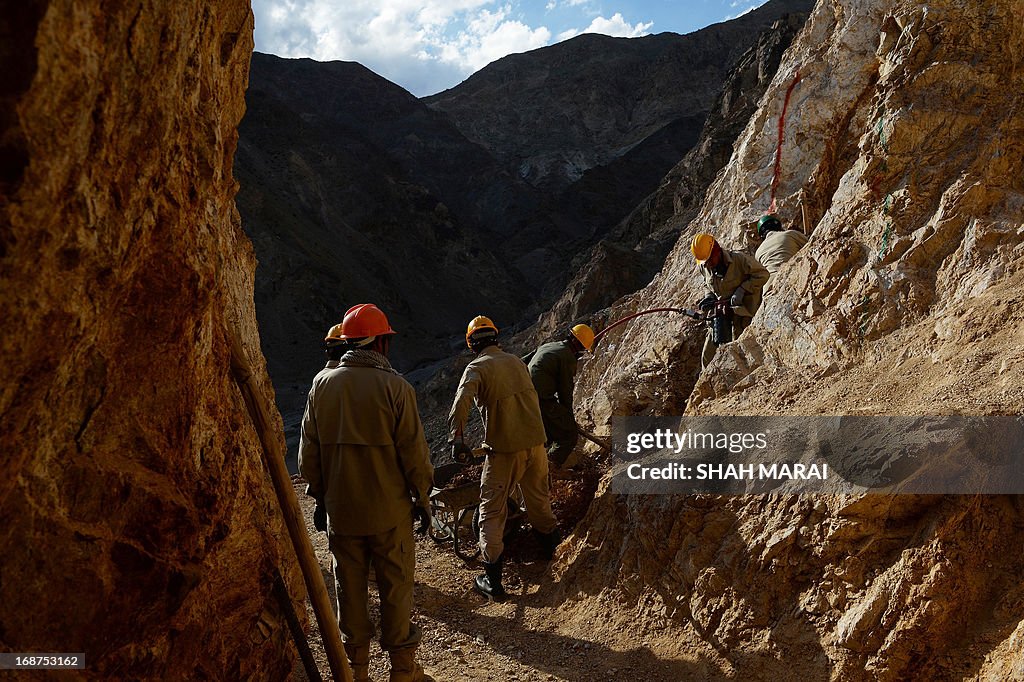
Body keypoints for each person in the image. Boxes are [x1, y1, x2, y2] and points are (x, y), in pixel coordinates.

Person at [299, 304, 434, 682]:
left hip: (342, 512)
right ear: (380, 344)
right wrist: (422, 499)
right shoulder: (397, 388)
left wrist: (320, 497)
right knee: (395, 587)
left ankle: (355, 670)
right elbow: (415, 457)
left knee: (349, 586)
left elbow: (307, 456)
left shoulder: (321, 386)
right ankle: (403, 672)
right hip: (389, 513)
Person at [448, 316, 560, 602]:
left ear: (471, 343)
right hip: (535, 445)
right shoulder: (516, 362)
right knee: (538, 499)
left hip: (504, 451)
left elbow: (461, 402)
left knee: (492, 510)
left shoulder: (476, 368)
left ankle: (492, 580)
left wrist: (457, 440)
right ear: (496, 338)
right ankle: (551, 553)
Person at [690, 233, 769, 369]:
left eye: (710, 260)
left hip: (743, 314)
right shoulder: (704, 266)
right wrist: (709, 296)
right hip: (721, 315)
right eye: (705, 262)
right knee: (708, 356)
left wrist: (743, 289)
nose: (708, 265)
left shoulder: (739, 260)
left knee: (743, 352)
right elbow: (706, 284)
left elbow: (763, 274)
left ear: (717, 250)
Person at [526, 324, 594, 472]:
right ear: (577, 344)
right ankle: (547, 469)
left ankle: (535, 463)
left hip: (525, 396)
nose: (580, 353)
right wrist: (569, 420)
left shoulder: (550, 345)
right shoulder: (567, 357)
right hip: (542, 401)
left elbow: (522, 361)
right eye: (582, 349)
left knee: (548, 434)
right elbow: (565, 393)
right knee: (568, 436)